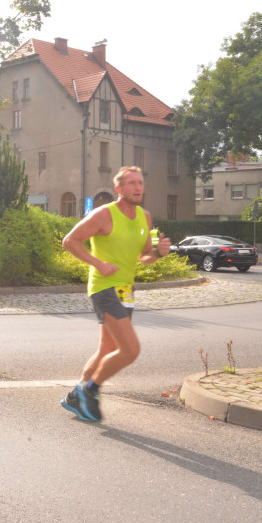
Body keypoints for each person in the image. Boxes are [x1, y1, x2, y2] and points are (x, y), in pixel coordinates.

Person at [59, 166, 171, 422]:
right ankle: (91, 390)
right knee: (130, 350)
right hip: (103, 287)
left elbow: (144, 257)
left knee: (106, 350)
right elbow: (70, 241)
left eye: (140, 182)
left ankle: (76, 395)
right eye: (131, 183)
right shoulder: (104, 215)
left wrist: (159, 253)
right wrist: (98, 264)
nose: (137, 187)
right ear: (119, 189)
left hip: (126, 289)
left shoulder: (145, 217)